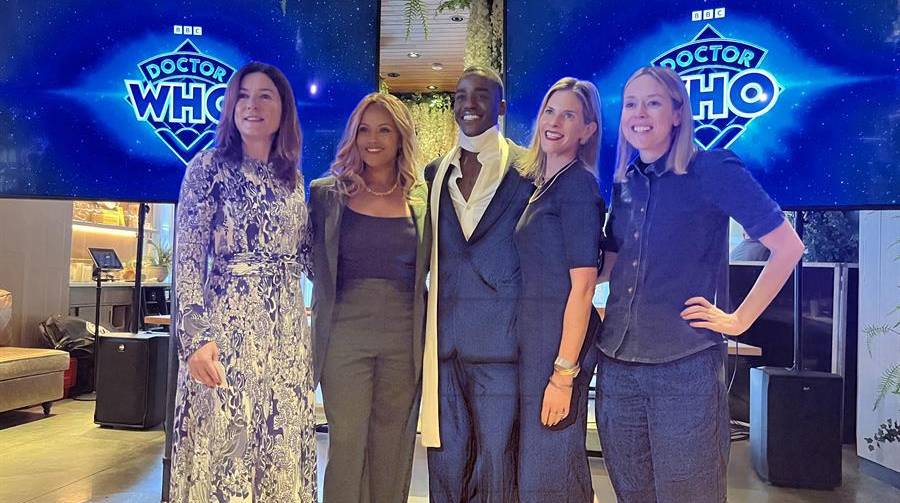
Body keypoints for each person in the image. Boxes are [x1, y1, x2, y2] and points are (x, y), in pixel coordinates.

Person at [595, 66, 804, 502]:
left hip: (684, 367)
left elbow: (788, 247)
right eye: (631, 104)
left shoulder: (711, 168)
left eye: (653, 102)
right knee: (632, 494)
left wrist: (739, 320)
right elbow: (612, 263)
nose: (639, 113)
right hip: (616, 364)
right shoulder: (626, 182)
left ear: (677, 113)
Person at [170, 61, 316, 503]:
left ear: (283, 109)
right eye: (244, 96)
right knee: (224, 451)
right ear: (232, 107)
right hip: (227, 334)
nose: (253, 105)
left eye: (265, 96)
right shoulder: (207, 167)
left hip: (286, 338)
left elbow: (308, 256)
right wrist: (195, 339)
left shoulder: (293, 179)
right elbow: (188, 260)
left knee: (279, 450)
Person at [307, 92, 429, 503]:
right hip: (343, 339)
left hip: (404, 341)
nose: (372, 140)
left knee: (392, 447)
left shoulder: (424, 199)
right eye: (363, 129)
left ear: (400, 137)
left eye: (384, 130)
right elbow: (307, 261)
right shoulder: (325, 195)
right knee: (347, 445)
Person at [422, 66, 533, 502]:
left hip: (502, 346)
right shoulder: (434, 173)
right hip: (445, 343)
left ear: (500, 106)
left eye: (481, 95)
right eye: (461, 95)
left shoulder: (528, 169)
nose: (469, 105)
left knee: (497, 462)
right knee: (446, 461)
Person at [515, 77, 604, 502]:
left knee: (550, 476)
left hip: (558, 352)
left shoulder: (578, 186)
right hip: (537, 345)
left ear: (587, 130)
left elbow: (583, 288)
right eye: (550, 111)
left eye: (569, 115)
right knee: (543, 471)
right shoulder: (545, 186)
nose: (555, 122)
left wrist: (563, 376)